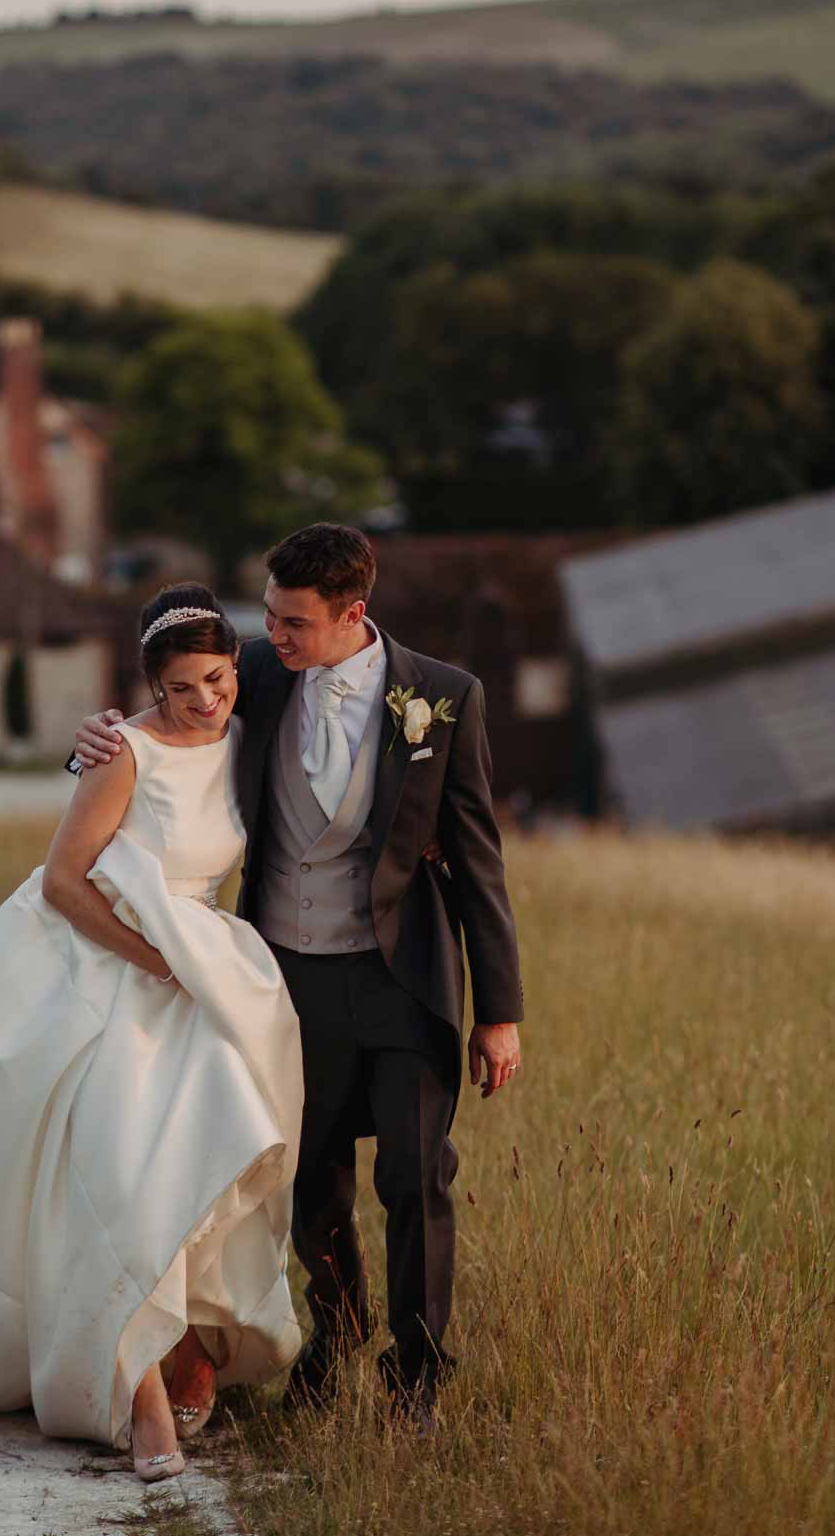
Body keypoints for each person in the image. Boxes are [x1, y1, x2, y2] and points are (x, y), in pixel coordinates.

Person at [71, 523, 522, 1424]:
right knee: (307, 1173)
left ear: (352, 613)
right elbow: (164, 723)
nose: (266, 635)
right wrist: (91, 742)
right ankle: (336, 1332)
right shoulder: (250, 673)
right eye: (267, 615)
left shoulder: (444, 697)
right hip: (282, 978)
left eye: (290, 622)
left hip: (405, 977)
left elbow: (478, 861)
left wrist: (499, 1011)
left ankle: (419, 1377)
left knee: (416, 1175)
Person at [0, 585, 303, 1484]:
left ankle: (196, 1335)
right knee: (116, 1169)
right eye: (184, 686)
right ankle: (141, 1391)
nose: (206, 699)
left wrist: (189, 967)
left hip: (210, 970)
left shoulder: (250, 728)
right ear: (151, 685)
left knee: (227, 1138)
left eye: (219, 678)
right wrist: (152, 959)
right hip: (108, 966)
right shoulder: (125, 753)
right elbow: (61, 881)